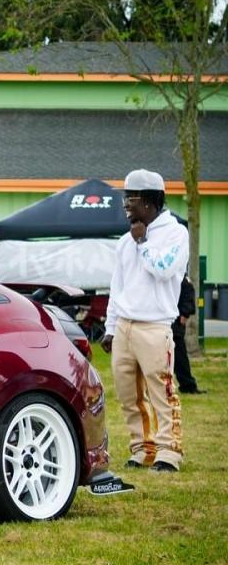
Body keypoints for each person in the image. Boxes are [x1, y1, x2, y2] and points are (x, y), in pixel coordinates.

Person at [101, 169, 189, 473]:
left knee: (162, 392)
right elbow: (117, 287)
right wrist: (110, 328)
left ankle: (169, 451)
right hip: (124, 326)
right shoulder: (125, 241)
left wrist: (143, 243)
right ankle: (142, 448)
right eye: (125, 197)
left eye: (131, 198)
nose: (126, 204)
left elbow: (164, 269)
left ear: (150, 201)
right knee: (129, 396)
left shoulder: (176, 233)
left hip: (155, 326)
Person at [172, 276, 200, 395]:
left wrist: (185, 312)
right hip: (163, 318)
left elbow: (188, 292)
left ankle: (187, 384)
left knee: (179, 354)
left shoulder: (181, 278)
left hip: (174, 320)